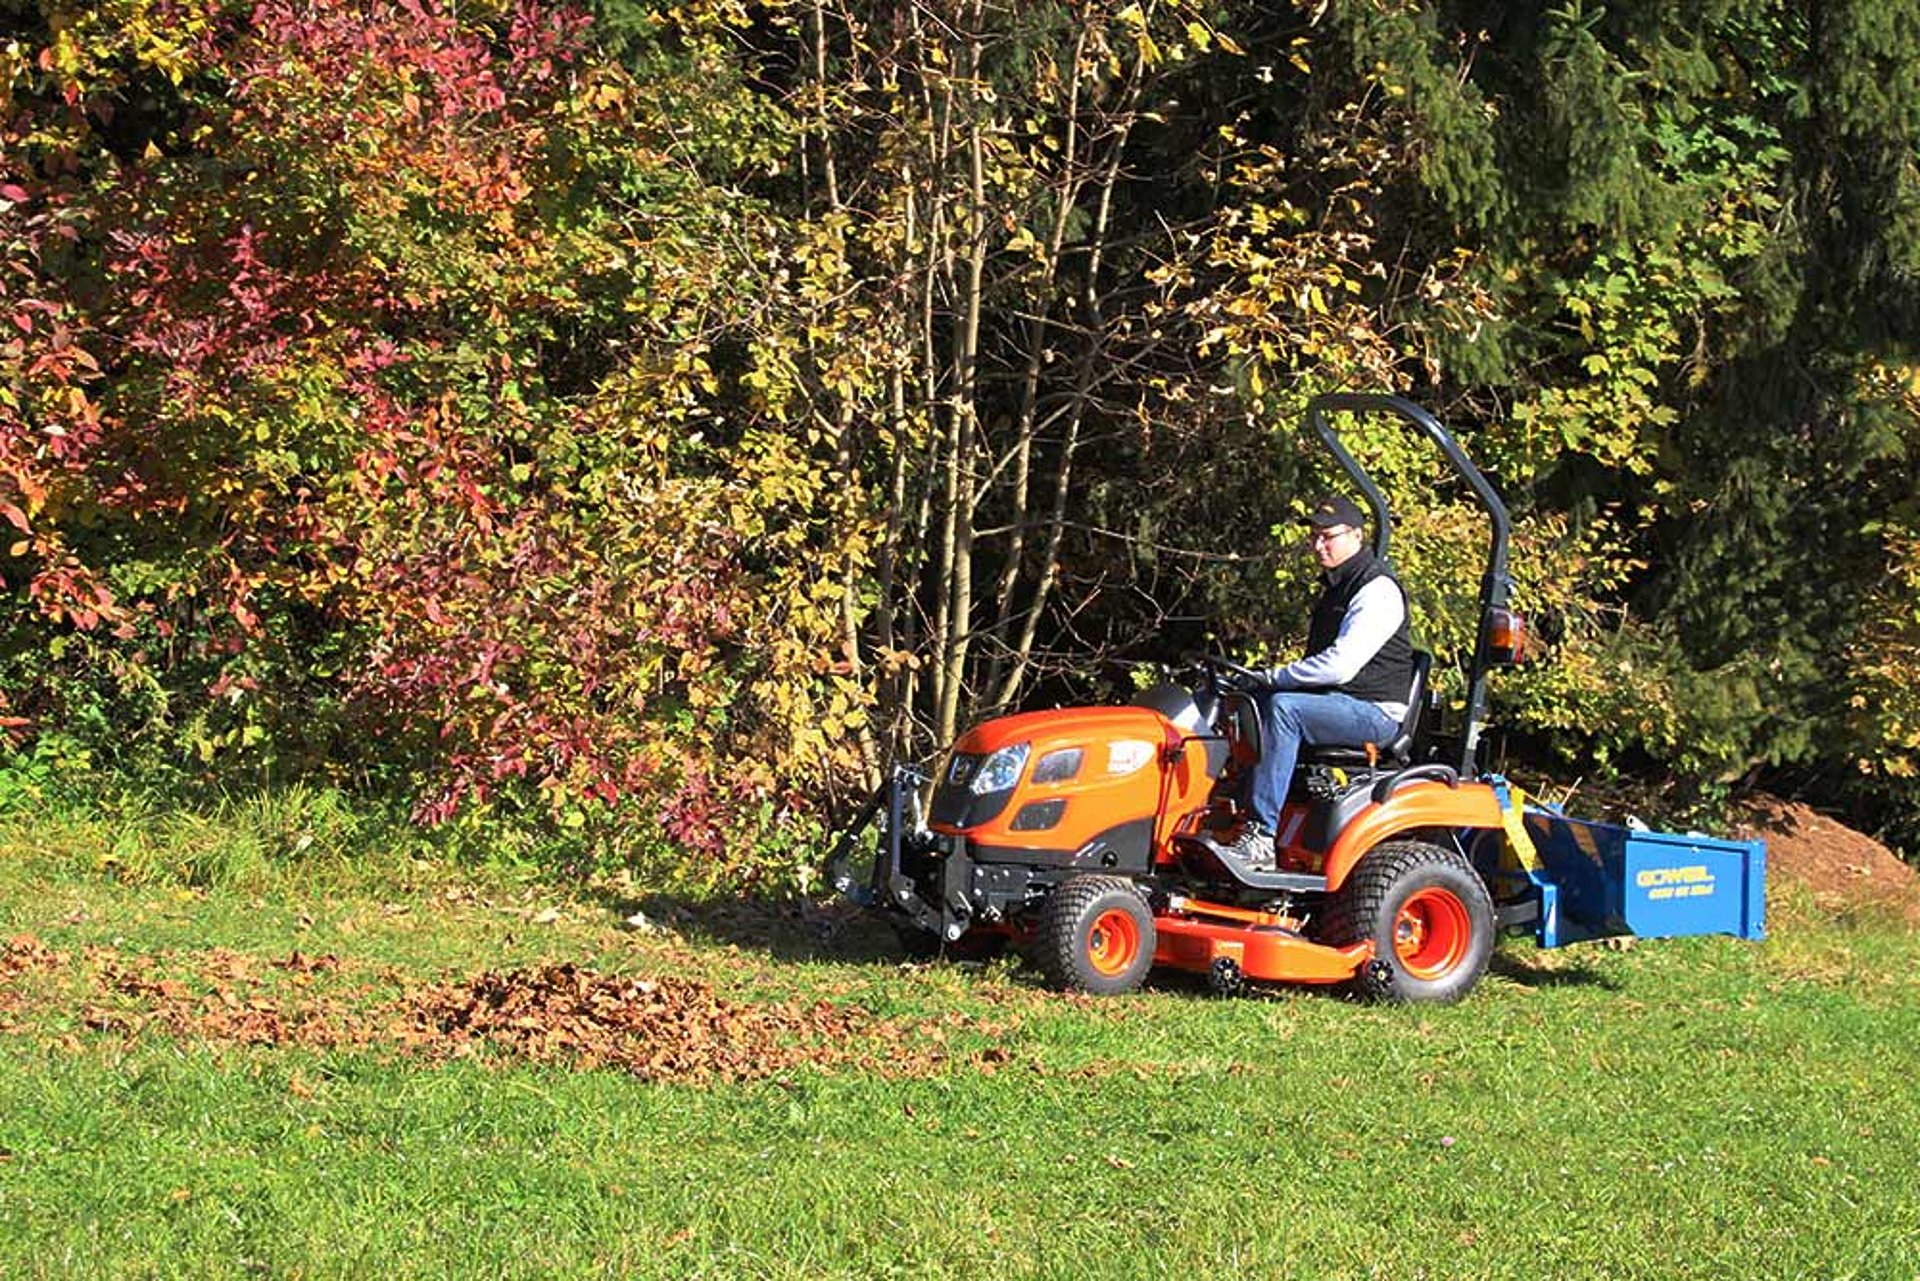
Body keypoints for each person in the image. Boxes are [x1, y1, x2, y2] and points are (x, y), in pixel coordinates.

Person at [1209, 495, 1414, 871]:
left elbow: (1340, 666)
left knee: (1285, 708)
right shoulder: (1337, 587)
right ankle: (1219, 812)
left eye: (1328, 536)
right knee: (1241, 698)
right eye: (1314, 536)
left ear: (1355, 535)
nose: (1319, 545)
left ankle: (1259, 836)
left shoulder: (1377, 590)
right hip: (1339, 702)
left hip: (1374, 713)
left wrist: (1276, 677)